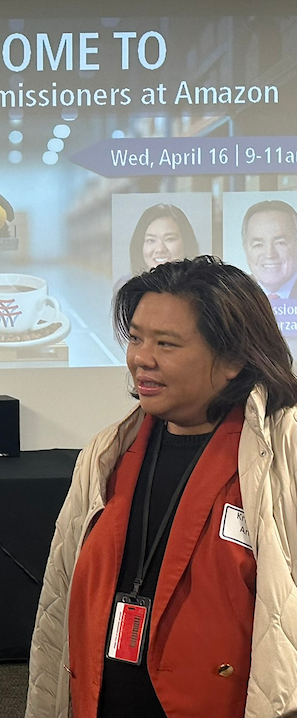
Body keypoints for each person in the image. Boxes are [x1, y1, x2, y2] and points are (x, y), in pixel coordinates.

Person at [26, 256, 297, 718]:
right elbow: (58, 603)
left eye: (166, 343)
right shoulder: (106, 453)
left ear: (233, 358)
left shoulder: (283, 448)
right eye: (135, 337)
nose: (140, 358)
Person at [241, 199, 297, 299]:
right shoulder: (233, 293)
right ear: (245, 247)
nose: (270, 254)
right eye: (258, 245)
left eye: (280, 243)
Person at [127, 204, 200, 276]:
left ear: (186, 242)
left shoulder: (203, 284)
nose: (160, 249)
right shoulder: (125, 285)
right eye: (151, 240)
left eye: (169, 239)